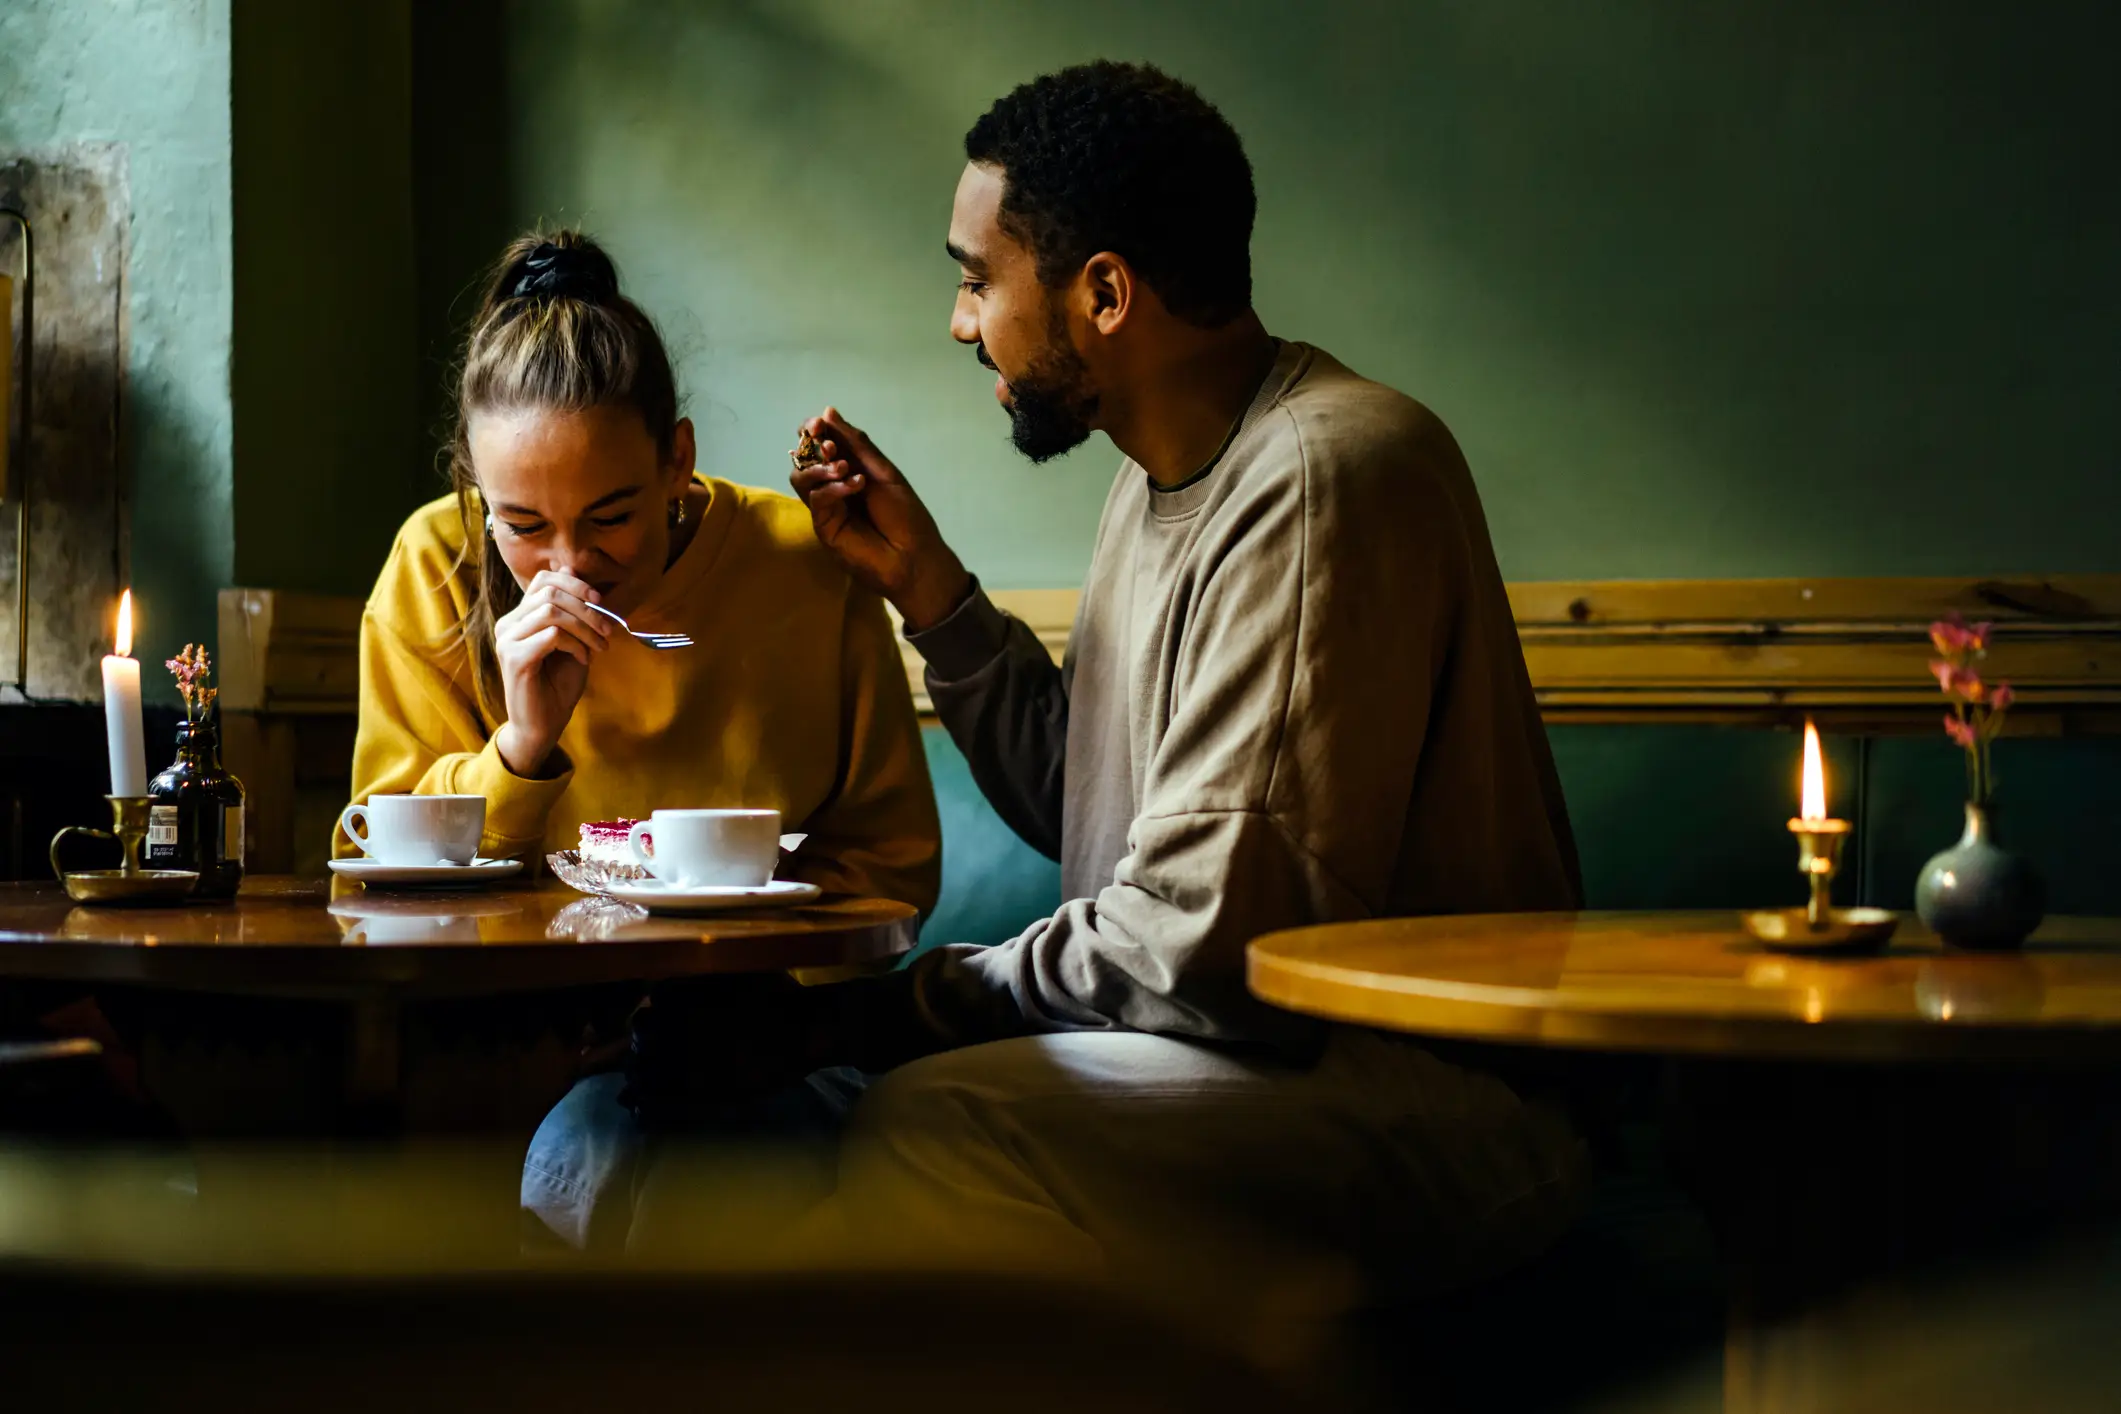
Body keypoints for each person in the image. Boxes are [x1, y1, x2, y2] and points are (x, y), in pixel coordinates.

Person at [616, 62, 1591, 1309]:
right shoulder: (1158, 474)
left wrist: (860, 1018)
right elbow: (1098, 805)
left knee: (936, 1118)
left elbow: (1194, 943)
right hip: (1245, 1065)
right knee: (760, 1126)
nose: (961, 323)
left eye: (978, 280)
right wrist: (931, 592)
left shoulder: (1322, 475)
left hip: (1444, 1103)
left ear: (1108, 294)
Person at [348, 227, 939, 903]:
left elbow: (891, 868)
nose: (570, 565)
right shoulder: (433, 563)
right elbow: (378, 878)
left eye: (610, 518)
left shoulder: (804, 563)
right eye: (523, 526)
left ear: (677, 461)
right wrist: (522, 747)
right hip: (508, 972)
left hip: (751, 969)